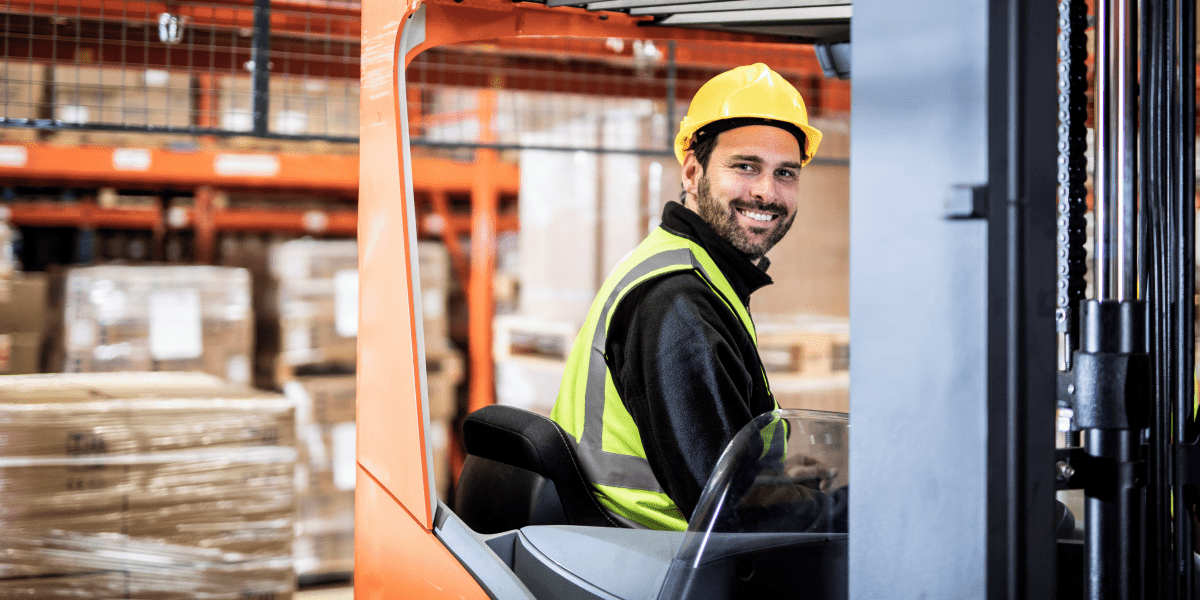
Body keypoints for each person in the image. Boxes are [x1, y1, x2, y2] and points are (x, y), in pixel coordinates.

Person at [550, 63, 825, 530]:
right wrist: (848, 511)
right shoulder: (679, 302)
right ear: (693, 171)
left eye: (785, 173)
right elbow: (730, 508)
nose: (766, 192)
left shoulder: (689, 270)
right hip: (657, 563)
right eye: (745, 167)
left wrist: (785, 480)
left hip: (637, 551)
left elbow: (713, 456)